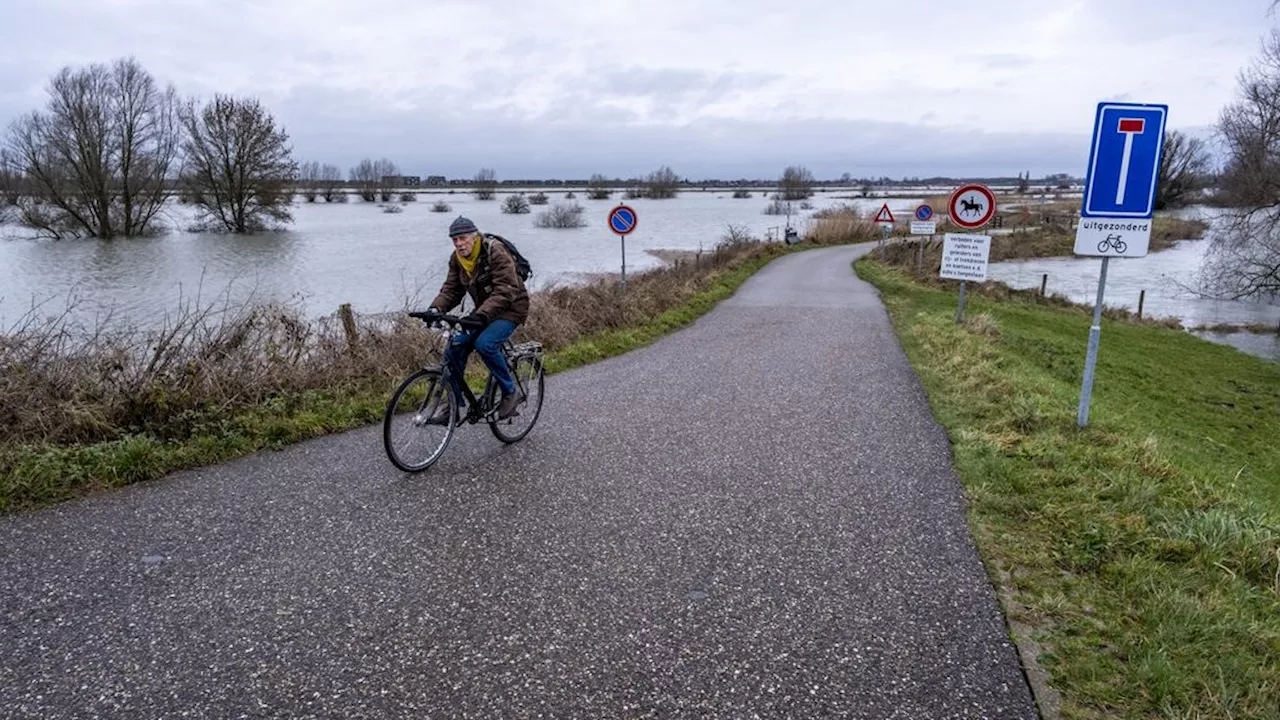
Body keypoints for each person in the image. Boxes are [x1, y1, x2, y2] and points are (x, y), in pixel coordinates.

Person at [426, 216, 530, 421]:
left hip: (511, 308)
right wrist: (435, 308)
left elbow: (506, 289)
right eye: (454, 240)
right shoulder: (457, 259)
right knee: (455, 346)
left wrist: (481, 315)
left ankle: (510, 391)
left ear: (475, 237)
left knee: (485, 344)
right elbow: (452, 289)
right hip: (484, 311)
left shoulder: (495, 251)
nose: (458, 243)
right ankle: (453, 407)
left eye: (462, 238)